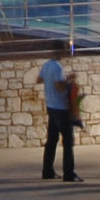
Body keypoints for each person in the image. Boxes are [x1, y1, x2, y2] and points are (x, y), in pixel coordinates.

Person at [36, 45, 78, 182]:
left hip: (51, 106)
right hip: (61, 108)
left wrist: (49, 81)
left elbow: (39, 79)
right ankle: (69, 173)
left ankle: (47, 170)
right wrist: (69, 80)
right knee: (68, 141)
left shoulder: (47, 65)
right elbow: (60, 87)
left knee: (52, 140)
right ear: (61, 52)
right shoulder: (58, 67)